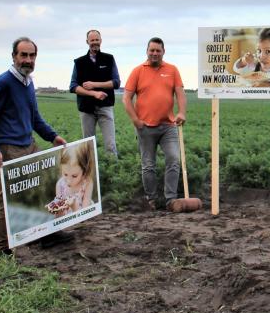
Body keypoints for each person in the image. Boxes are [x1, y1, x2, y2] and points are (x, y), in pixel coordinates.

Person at [0, 37, 67, 253]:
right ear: (14, 57)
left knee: (45, 186)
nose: (28, 60)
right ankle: (2, 247)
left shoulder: (28, 82)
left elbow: (35, 117)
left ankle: (46, 234)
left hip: (29, 144)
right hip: (9, 148)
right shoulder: (4, 82)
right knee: (6, 197)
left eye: (32, 55)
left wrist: (52, 136)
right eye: (23, 55)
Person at [123, 37, 186, 211]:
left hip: (168, 126)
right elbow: (126, 98)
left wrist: (181, 112)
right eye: (152, 50)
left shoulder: (172, 70)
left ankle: (170, 200)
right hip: (145, 127)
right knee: (148, 165)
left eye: (158, 50)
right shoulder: (137, 71)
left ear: (163, 51)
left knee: (173, 159)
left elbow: (180, 93)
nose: (155, 53)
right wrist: (135, 120)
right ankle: (151, 200)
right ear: (147, 51)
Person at [69, 30, 120, 157]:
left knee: (110, 145)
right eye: (92, 40)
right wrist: (93, 93)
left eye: (97, 40)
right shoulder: (79, 62)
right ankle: (89, 174)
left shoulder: (109, 59)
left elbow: (116, 82)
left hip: (105, 107)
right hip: (86, 109)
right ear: (87, 42)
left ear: (101, 41)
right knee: (88, 146)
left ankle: (112, 172)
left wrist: (95, 84)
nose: (95, 43)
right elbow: (73, 86)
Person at [50, 143, 96, 216]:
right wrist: (57, 209)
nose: (68, 180)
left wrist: (74, 206)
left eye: (74, 176)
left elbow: (85, 215)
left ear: (84, 171)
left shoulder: (87, 183)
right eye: (65, 174)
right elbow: (60, 217)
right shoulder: (60, 185)